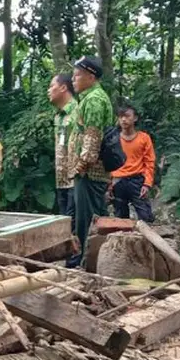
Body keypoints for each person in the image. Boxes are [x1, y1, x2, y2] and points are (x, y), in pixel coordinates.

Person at [68, 56, 114, 268]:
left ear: (91, 76)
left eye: (77, 75)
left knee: (89, 219)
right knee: (88, 217)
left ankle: (90, 262)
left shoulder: (94, 100)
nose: (73, 79)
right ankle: (90, 260)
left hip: (89, 172)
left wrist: (80, 166)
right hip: (87, 171)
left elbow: (92, 138)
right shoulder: (89, 98)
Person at [109, 104, 156, 222]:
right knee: (120, 219)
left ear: (135, 118)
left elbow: (149, 162)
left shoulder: (144, 138)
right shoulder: (113, 139)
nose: (123, 119)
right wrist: (108, 185)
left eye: (127, 116)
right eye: (120, 117)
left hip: (137, 180)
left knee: (146, 217)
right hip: (118, 181)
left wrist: (147, 184)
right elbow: (108, 162)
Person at [47, 73, 78, 230]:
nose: (48, 90)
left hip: (75, 178)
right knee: (63, 223)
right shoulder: (58, 116)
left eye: (52, 86)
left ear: (64, 87)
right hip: (61, 179)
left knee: (74, 223)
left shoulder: (77, 111)